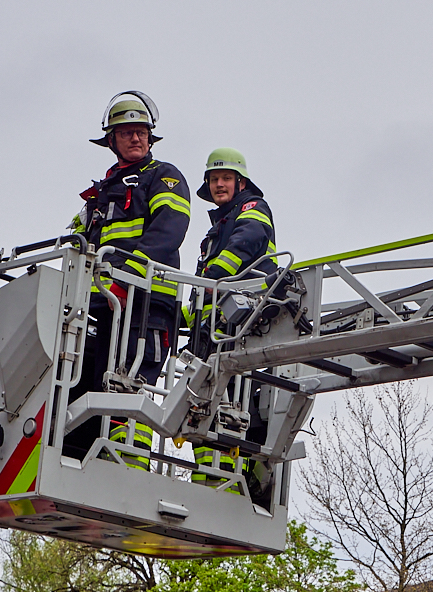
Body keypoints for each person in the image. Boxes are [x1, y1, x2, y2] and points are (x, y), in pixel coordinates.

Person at [63, 91, 190, 469]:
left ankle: (128, 466)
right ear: (112, 141)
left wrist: (127, 276)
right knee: (104, 384)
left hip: (148, 304)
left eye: (142, 132)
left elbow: (170, 229)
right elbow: (73, 241)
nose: (136, 138)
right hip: (108, 307)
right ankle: (104, 460)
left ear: (151, 138)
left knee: (130, 386)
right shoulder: (99, 195)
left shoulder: (163, 177)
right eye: (127, 133)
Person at [189, 148, 277, 496]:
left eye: (226, 178)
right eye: (214, 179)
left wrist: (212, 277)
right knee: (199, 401)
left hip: (237, 324)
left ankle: (228, 480)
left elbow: (247, 244)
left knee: (231, 405)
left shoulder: (253, 209)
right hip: (214, 327)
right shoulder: (218, 227)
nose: (219, 184)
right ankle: (205, 478)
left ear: (240, 182)